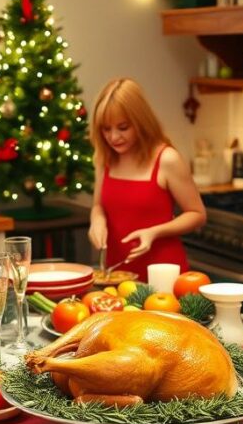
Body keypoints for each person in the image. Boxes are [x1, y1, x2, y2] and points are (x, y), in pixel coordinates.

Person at [88, 78, 206, 281]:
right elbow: (98, 206)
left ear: (141, 122)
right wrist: (96, 221)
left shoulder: (167, 159)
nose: (114, 137)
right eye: (106, 129)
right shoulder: (105, 158)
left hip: (164, 277)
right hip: (116, 276)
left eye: (123, 127)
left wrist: (154, 232)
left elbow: (197, 214)